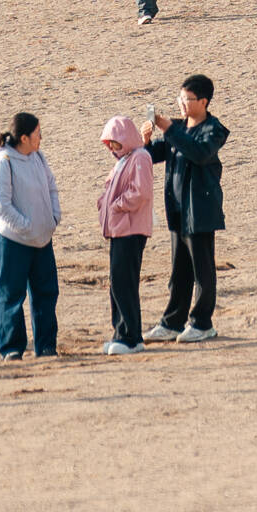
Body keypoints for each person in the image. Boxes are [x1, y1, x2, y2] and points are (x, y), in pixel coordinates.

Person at [146, 74, 228, 342]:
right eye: (180, 99)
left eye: (187, 99)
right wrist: (146, 141)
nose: (182, 104)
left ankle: (202, 323)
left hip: (200, 210)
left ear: (203, 101)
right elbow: (153, 156)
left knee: (203, 270)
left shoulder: (213, 130)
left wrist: (169, 129)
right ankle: (172, 322)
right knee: (179, 269)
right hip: (178, 210)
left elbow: (200, 153)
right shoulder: (179, 129)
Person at [0, 113, 62, 359]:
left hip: (43, 239)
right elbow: (2, 207)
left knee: (46, 293)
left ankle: (47, 346)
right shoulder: (4, 163)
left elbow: (51, 185)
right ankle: (11, 349)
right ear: (23, 137)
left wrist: (53, 217)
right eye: (37, 133)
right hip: (14, 242)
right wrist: (27, 226)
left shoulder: (38, 156)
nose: (41, 137)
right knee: (12, 295)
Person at [97, 113, 155, 351]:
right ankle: (122, 332)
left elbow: (141, 192)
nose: (112, 146)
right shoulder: (125, 158)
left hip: (131, 230)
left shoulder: (140, 157)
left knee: (124, 283)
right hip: (120, 230)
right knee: (118, 283)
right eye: (109, 142)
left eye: (115, 141)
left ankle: (130, 337)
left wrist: (116, 205)